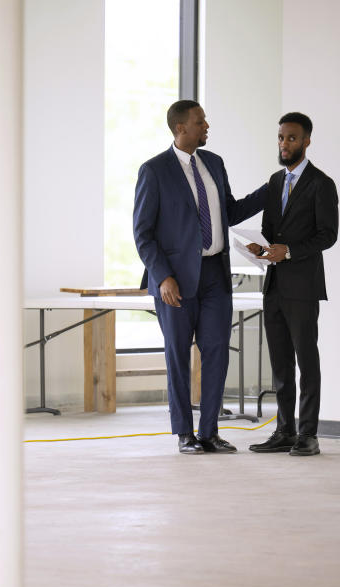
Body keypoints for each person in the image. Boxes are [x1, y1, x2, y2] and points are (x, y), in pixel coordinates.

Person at [134, 100, 267, 454]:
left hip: (215, 277)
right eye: (200, 122)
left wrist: (271, 189)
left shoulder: (214, 164)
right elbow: (143, 234)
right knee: (178, 355)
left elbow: (232, 210)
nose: (206, 126)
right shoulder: (154, 171)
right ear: (181, 128)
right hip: (175, 281)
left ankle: (209, 431)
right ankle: (184, 434)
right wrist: (162, 277)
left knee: (217, 353)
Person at [247, 112, 338, 456]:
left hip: (303, 287)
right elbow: (272, 230)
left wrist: (289, 252)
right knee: (281, 363)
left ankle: (308, 435)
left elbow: (328, 235)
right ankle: (283, 430)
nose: (285, 144)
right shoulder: (274, 181)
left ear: (306, 141)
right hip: (274, 287)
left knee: (306, 361)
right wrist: (261, 246)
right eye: (282, 137)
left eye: (292, 138)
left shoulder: (321, 184)